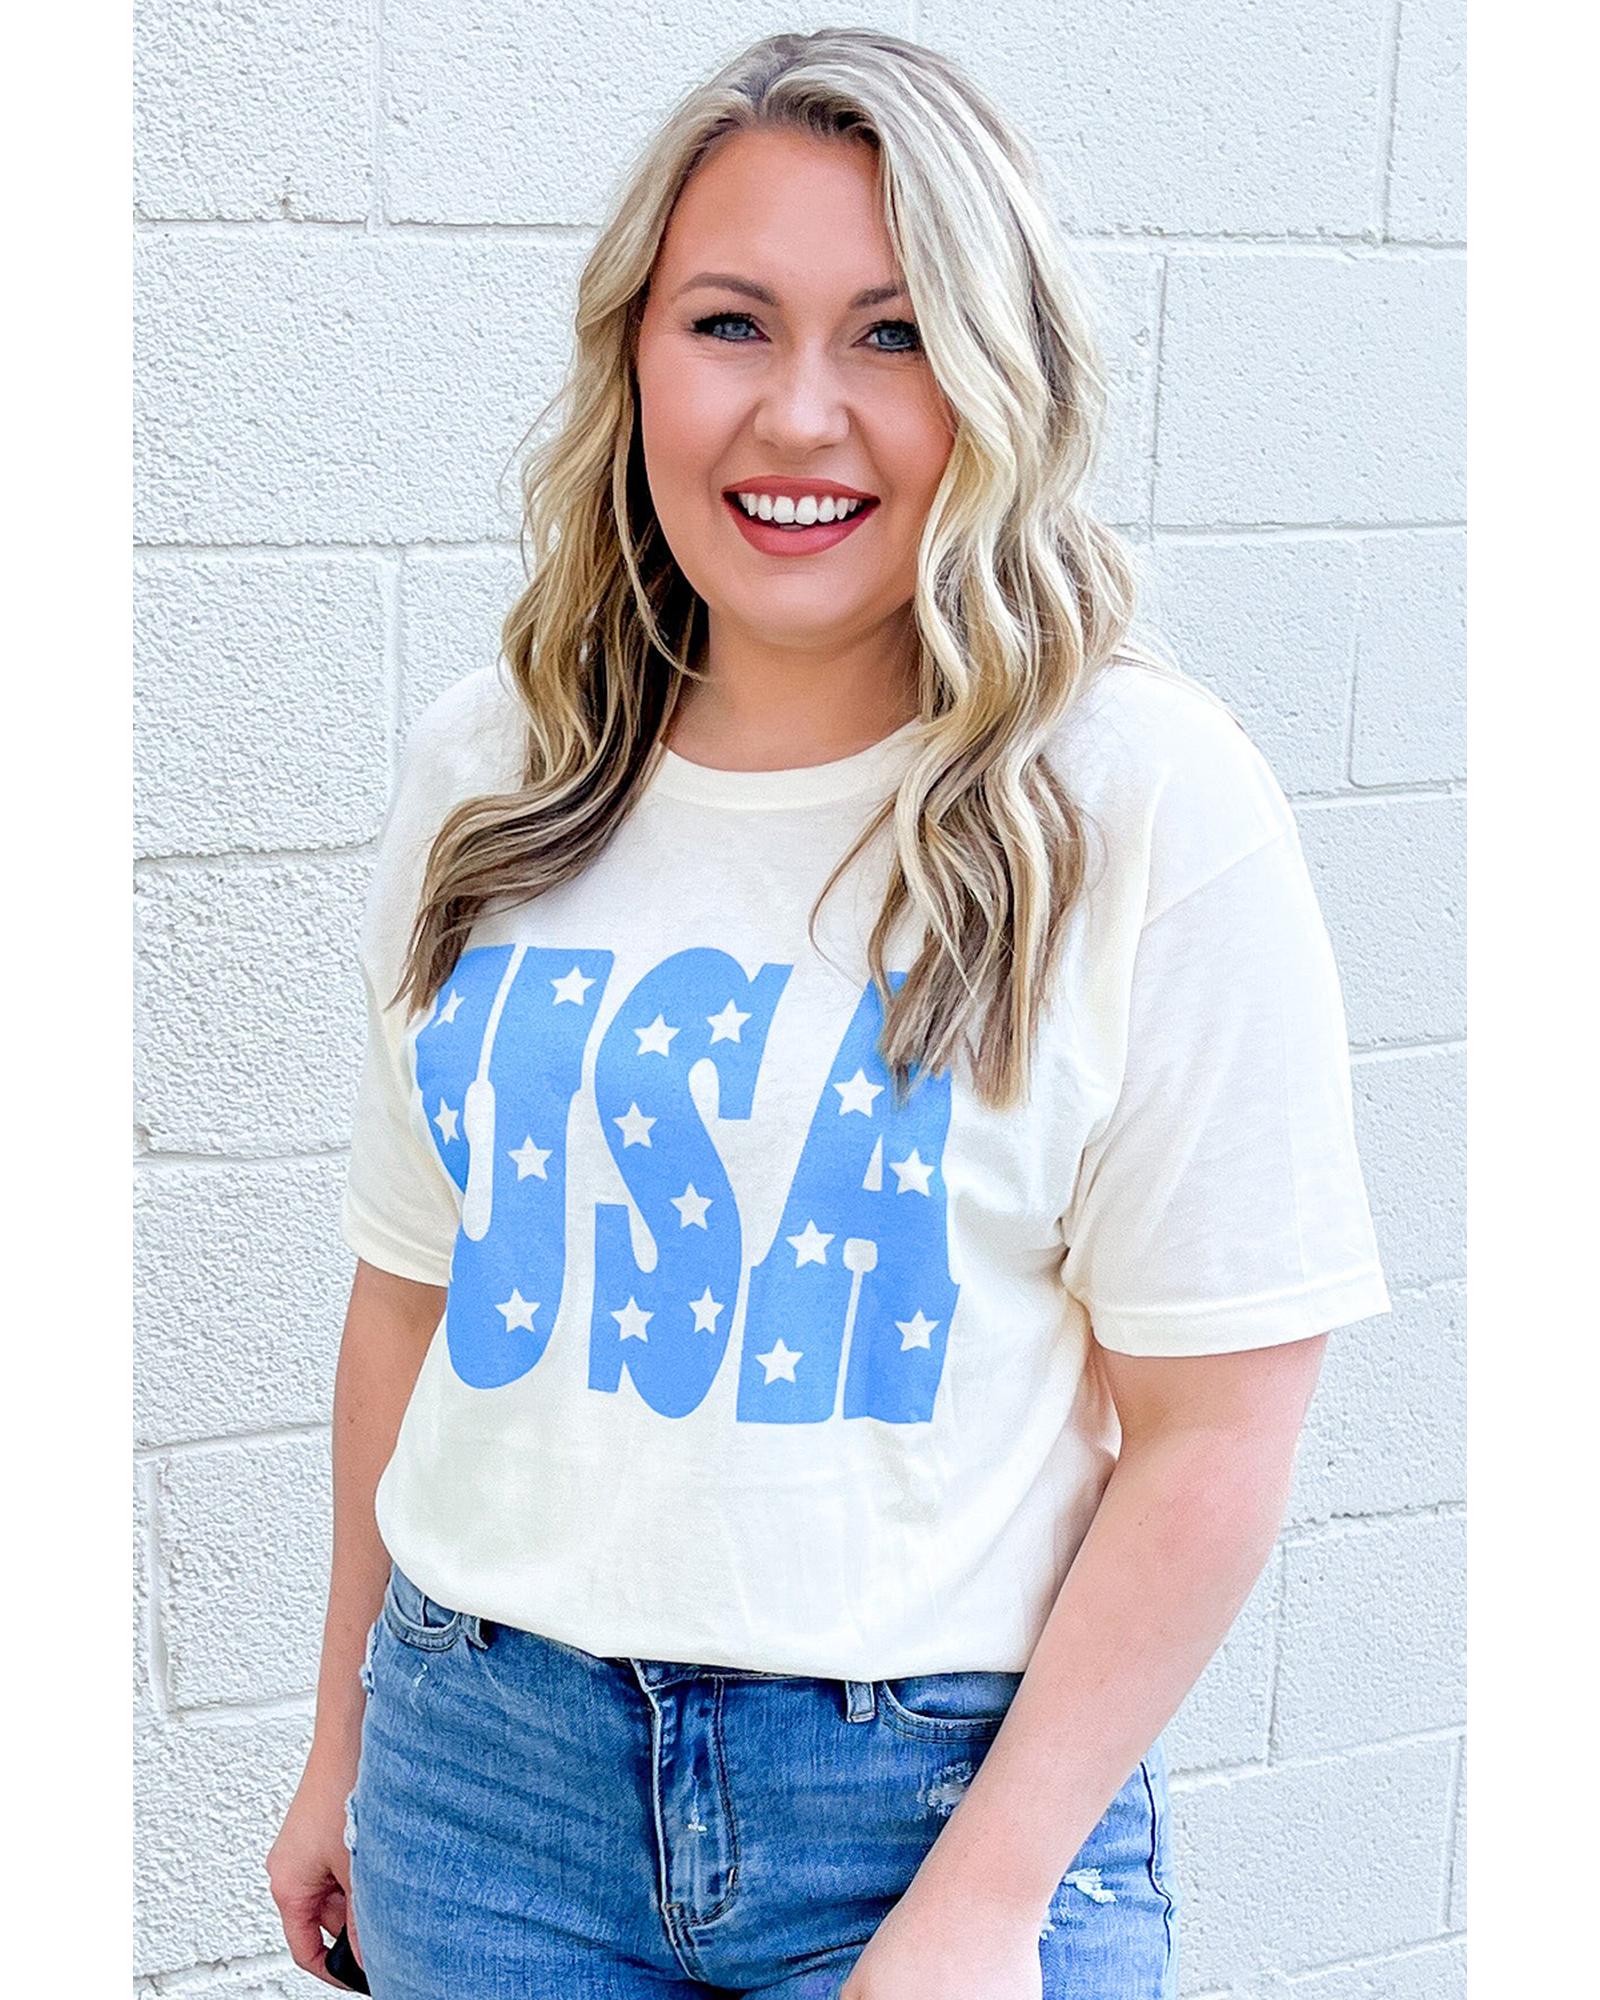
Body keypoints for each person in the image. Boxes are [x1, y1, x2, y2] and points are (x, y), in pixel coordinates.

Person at [266, 27, 1390, 2000]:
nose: (800, 414)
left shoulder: (1138, 801)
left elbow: (1217, 1427)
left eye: (893, 336)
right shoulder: (491, 770)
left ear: (997, 380)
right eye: (730, 324)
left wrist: (986, 1897)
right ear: (635, 357)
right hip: (485, 1784)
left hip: (934, 1803)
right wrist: (338, 1738)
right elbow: (409, 1297)